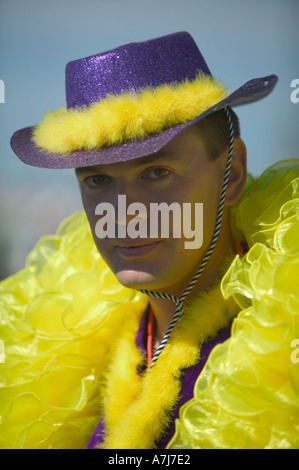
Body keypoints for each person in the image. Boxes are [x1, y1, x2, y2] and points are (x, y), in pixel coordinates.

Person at [0, 31, 298, 449]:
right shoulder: (70, 354)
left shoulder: (286, 354)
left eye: (157, 172)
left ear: (232, 174)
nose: (124, 212)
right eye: (98, 180)